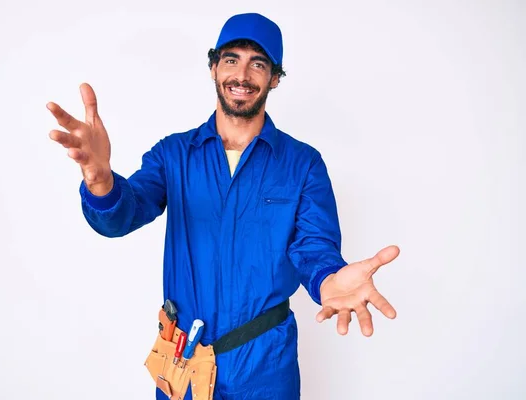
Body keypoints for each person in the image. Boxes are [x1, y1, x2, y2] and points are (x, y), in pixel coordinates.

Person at [47, 12, 399, 400]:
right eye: (231, 59)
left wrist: (330, 281)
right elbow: (123, 215)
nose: (242, 75)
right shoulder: (174, 155)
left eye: (258, 63)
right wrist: (100, 180)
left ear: (275, 78)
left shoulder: (303, 165)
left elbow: (313, 247)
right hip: (182, 362)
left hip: (265, 367)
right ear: (214, 67)